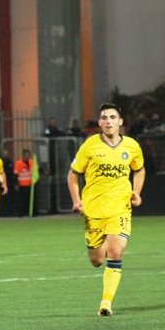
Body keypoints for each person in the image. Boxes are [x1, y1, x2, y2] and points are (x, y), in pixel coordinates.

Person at [67, 102, 145, 317]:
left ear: (120, 121)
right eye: (104, 118)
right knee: (96, 260)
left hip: (120, 208)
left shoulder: (131, 146)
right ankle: (96, 250)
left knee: (116, 251)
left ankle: (106, 302)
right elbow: (73, 175)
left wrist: (136, 192)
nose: (108, 121)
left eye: (112, 117)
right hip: (93, 210)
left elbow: (139, 170)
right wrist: (76, 200)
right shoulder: (90, 146)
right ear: (100, 123)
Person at [13, 148, 35, 217]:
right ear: (23, 155)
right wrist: (16, 184)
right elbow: (16, 174)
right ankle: (20, 213)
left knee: (29, 200)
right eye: (26, 155)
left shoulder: (31, 162)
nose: (27, 156)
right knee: (21, 200)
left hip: (30, 184)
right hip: (22, 184)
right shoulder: (19, 163)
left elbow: (36, 170)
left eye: (28, 155)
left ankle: (30, 213)